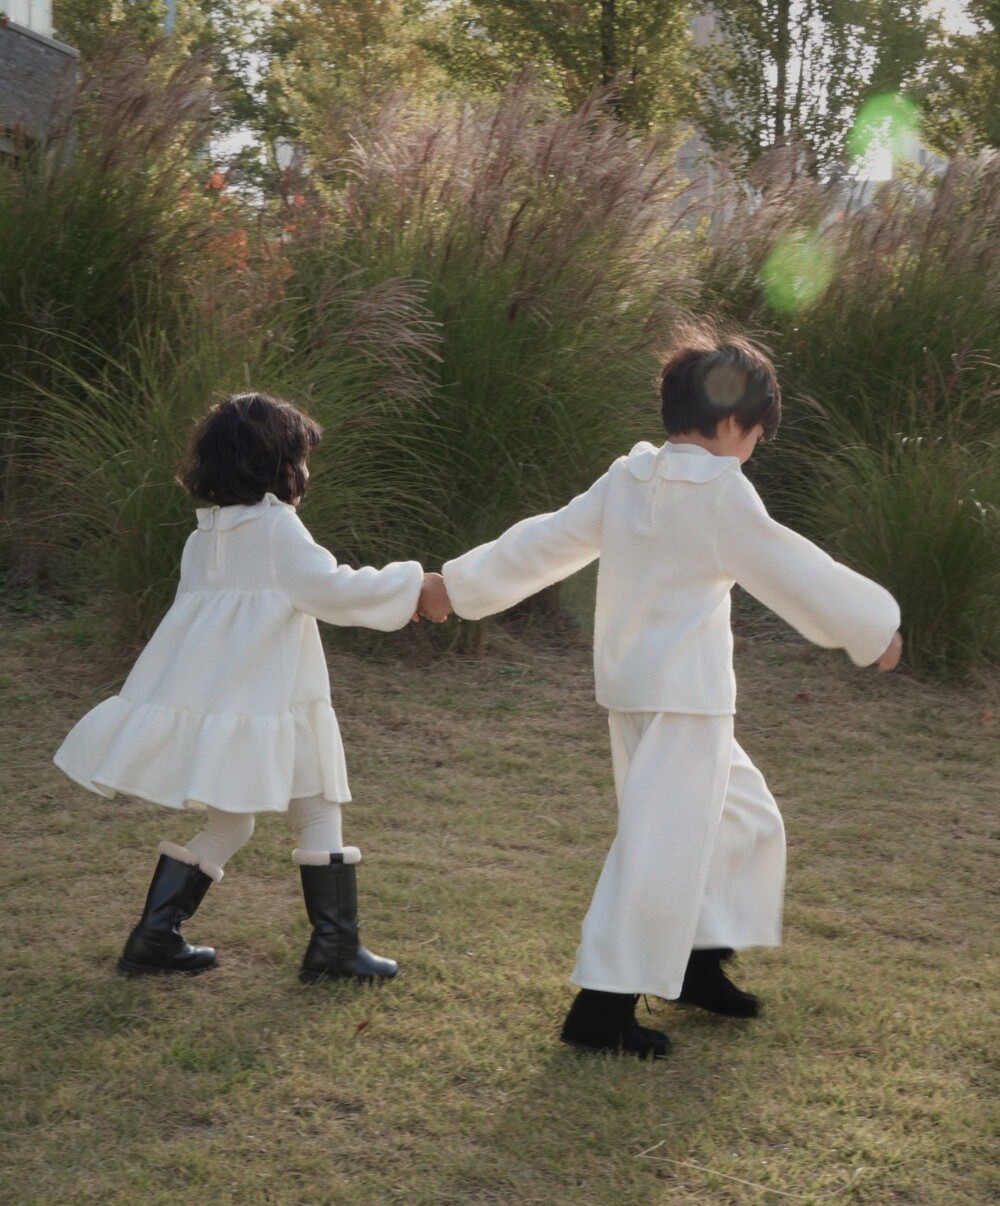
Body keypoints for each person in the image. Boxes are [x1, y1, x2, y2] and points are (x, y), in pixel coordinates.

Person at [418, 331, 903, 1058]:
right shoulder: (721, 492)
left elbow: (546, 540)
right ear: (734, 421)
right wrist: (874, 629)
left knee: (743, 821)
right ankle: (602, 1009)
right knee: (660, 849)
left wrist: (457, 586)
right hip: (686, 699)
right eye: (758, 434)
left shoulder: (629, 477)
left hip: (643, 692)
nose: (754, 448)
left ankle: (695, 964)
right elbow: (793, 569)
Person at [55, 392, 440, 984]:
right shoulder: (275, 527)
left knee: (241, 822)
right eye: (301, 459)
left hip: (240, 706)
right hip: (276, 704)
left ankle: (156, 937)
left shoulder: (204, 536)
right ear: (280, 466)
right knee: (316, 806)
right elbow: (330, 588)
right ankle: (331, 949)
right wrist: (413, 587)